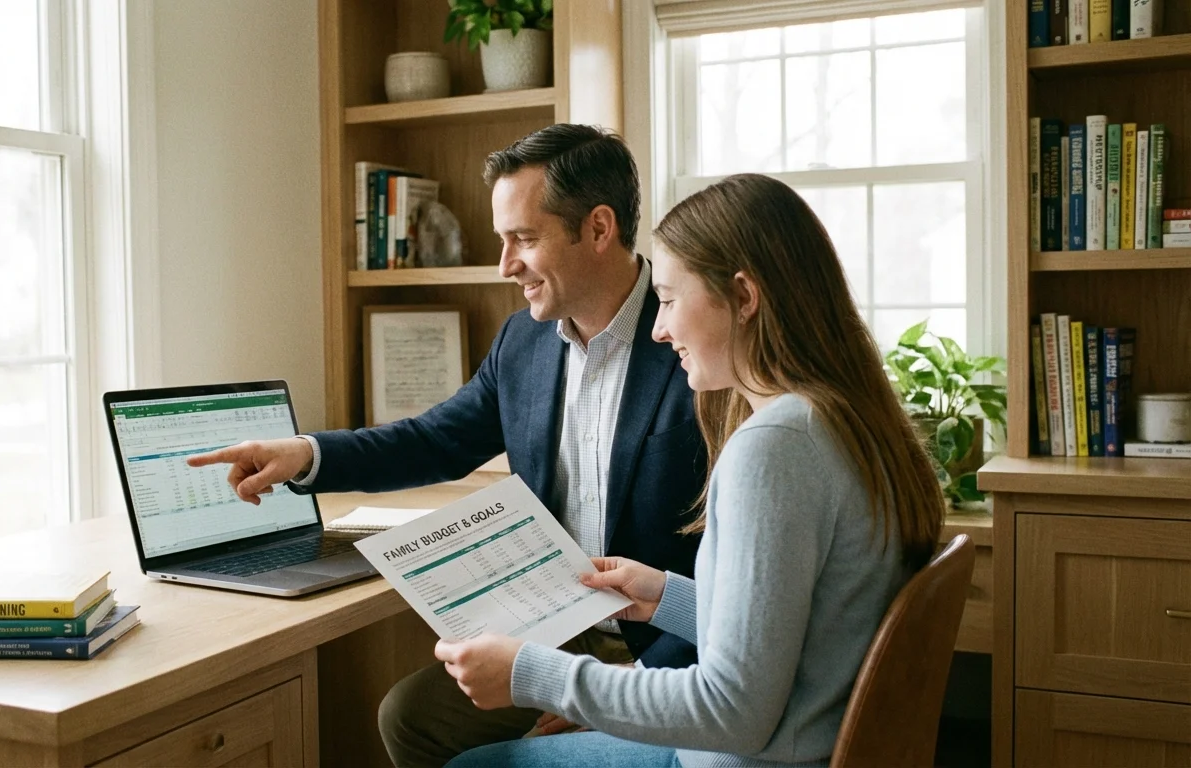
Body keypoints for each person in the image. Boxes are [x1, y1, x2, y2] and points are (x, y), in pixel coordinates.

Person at [187, 124, 708, 767]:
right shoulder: (522, 342)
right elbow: (434, 439)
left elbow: (739, 580)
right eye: (501, 240)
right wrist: (306, 455)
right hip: (554, 632)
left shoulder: (694, 340)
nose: (504, 264)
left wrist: (613, 703)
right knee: (411, 716)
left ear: (598, 229)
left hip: (672, 650)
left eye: (524, 238)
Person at [433, 173, 947, 768]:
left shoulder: (774, 448)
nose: (658, 327)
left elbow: (731, 709)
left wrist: (533, 673)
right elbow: (802, 629)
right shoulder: (843, 419)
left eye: (671, 300)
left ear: (744, 297)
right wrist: (666, 598)